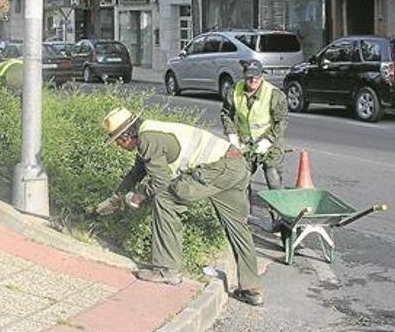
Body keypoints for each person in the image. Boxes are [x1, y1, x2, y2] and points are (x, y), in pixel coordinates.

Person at [96, 107, 264, 306]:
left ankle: (166, 270)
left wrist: (138, 197)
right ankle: (251, 289)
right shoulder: (150, 132)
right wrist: (115, 198)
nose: (117, 146)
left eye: (116, 141)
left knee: (164, 198)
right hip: (235, 165)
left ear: (125, 137)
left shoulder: (148, 140)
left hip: (215, 170)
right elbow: (136, 173)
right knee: (238, 228)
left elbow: (160, 183)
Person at [220, 59, 289, 194]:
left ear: (262, 75)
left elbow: (282, 121)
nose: (253, 80)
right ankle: (244, 212)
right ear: (244, 75)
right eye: (249, 77)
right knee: (241, 177)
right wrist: (232, 135)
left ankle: (279, 212)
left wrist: (268, 140)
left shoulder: (274, 94)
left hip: (270, 140)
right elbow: (226, 114)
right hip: (245, 142)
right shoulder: (234, 90)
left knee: (272, 174)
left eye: (257, 77)